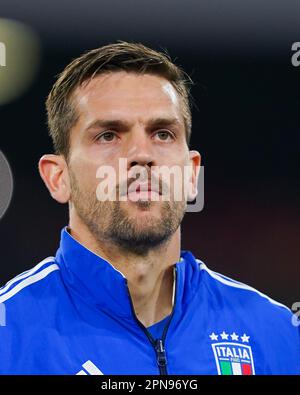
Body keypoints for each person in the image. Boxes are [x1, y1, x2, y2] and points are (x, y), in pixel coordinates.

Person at [0, 41, 299, 375]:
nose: (142, 154)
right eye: (109, 135)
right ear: (58, 177)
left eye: (162, 134)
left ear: (191, 173)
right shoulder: (9, 335)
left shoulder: (279, 336)